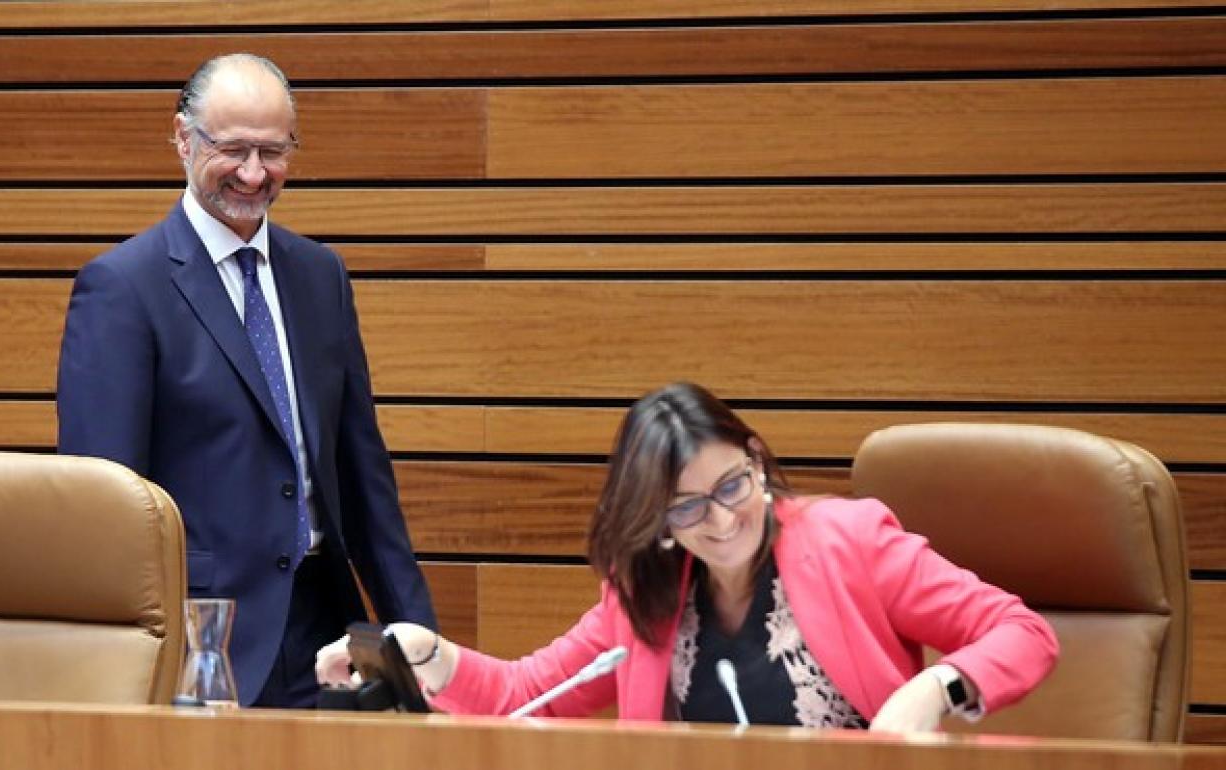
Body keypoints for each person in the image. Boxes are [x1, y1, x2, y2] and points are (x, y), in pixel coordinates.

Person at [317, 382, 1058, 732]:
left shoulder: (852, 541)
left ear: (757, 460)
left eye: (732, 485)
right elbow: (524, 694)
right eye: (688, 506)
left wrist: (935, 690)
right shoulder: (648, 593)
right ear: (660, 520)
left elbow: (1023, 633)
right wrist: (425, 653)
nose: (724, 517)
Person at [57, 53, 436, 708]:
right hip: (201, 649)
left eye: (273, 151)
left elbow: (363, 477)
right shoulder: (123, 288)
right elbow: (105, 512)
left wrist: (422, 639)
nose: (254, 173)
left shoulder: (321, 277)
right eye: (233, 150)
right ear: (182, 138)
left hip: (327, 637)